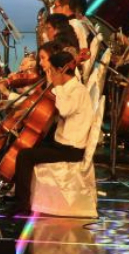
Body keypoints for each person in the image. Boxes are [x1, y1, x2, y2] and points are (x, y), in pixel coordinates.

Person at [6, 44, 95, 216]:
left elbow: (64, 109)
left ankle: (22, 204)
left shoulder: (77, 90)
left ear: (61, 71)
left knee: (25, 156)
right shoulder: (69, 88)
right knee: (31, 142)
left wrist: (57, 86)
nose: (50, 74)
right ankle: (16, 190)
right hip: (61, 142)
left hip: (70, 149)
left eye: (52, 71)